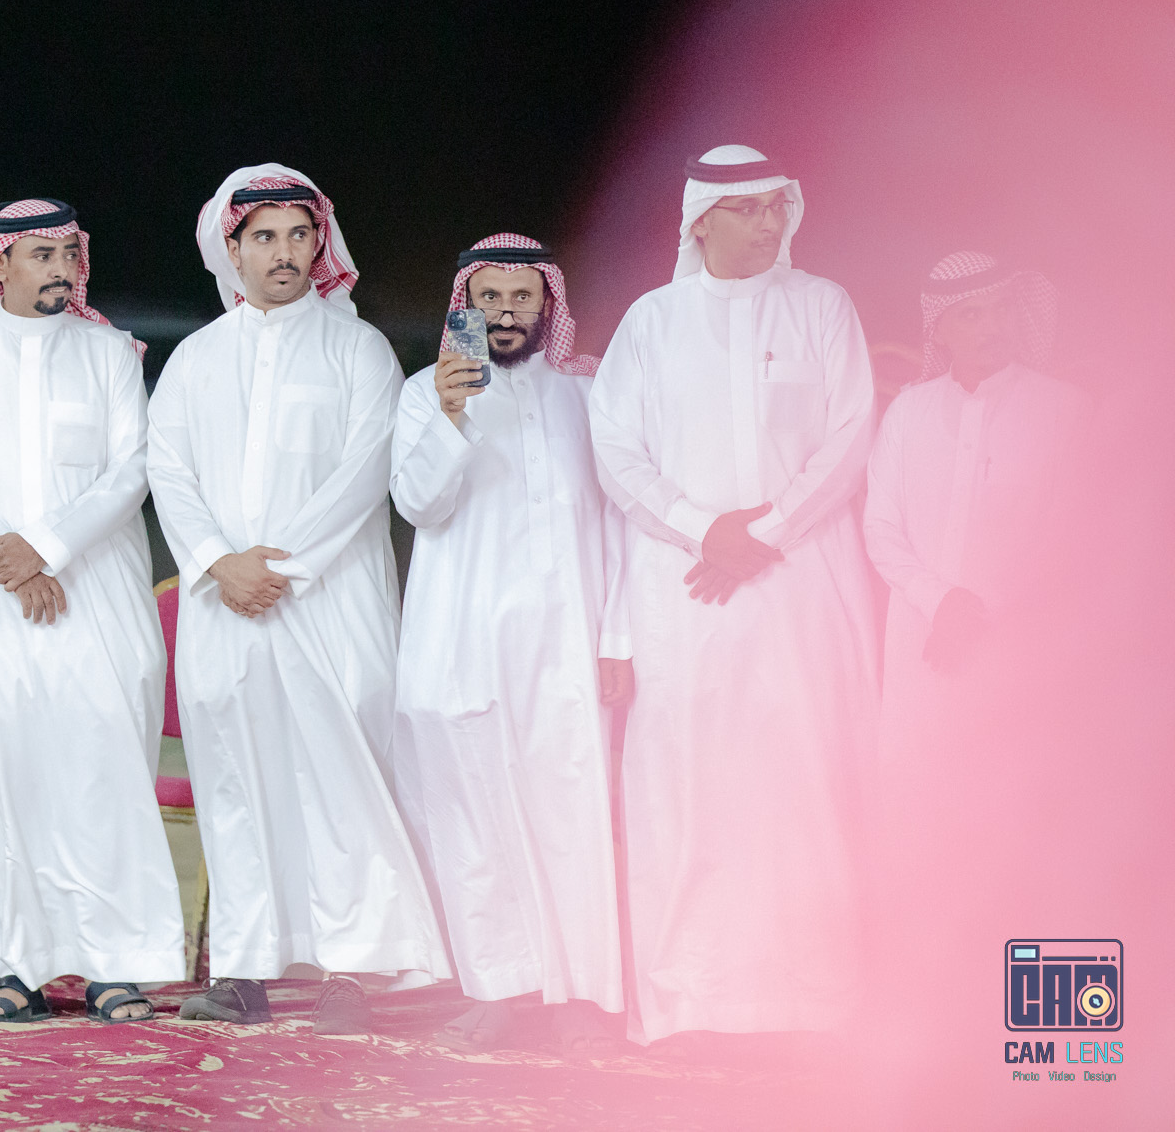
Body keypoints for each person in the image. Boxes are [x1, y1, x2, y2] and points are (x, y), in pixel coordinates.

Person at [588, 145, 879, 1047]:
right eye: (746, 209)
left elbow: (850, 434)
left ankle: (816, 1002)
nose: (766, 222)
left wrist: (767, 532)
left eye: (774, 206)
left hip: (804, 586)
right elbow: (616, 452)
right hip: (685, 594)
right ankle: (690, 1001)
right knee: (686, 787)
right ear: (699, 220)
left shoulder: (823, 306)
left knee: (806, 779)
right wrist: (702, 527)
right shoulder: (651, 321)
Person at [146, 164, 446, 1035]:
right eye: (265, 237)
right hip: (223, 606)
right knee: (240, 782)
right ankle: (243, 970)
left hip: (329, 605)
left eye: (299, 235)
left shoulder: (359, 351)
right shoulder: (196, 358)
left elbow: (363, 473)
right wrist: (218, 562)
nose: (284, 252)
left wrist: (277, 568)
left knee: (338, 780)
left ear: (321, 244)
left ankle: (351, 969)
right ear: (231, 249)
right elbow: (168, 471)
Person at [0, 198, 182, 1025]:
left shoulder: (109, 352)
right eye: (42, 253)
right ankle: (19, 969)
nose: (61, 267)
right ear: (0, 264)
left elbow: (131, 468)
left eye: (69, 252)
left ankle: (115, 967)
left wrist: (47, 548)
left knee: (105, 774)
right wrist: (11, 556)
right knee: (12, 781)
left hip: (95, 599)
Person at [390, 234, 630, 1055]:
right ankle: (497, 988)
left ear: (546, 305)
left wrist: (616, 634)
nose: (503, 312)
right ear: (464, 304)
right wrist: (451, 415)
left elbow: (617, 520)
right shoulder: (425, 394)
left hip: (566, 647)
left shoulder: (586, 394)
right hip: (462, 641)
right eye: (487, 297)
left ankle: (580, 996)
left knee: (572, 816)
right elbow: (418, 501)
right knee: (474, 816)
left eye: (521, 297)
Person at [863, 251, 1081, 760]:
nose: (992, 326)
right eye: (972, 314)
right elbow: (880, 529)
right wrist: (940, 603)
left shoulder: (1064, 410)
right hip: (921, 641)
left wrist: (979, 615)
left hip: (1019, 644)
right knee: (917, 782)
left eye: (1002, 308)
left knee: (1014, 783)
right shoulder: (907, 413)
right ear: (938, 330)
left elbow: (1068, 540)